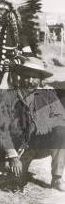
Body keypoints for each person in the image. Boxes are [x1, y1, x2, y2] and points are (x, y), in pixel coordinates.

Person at [9, 58, 65, 192]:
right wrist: (11, 155)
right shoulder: (13, 95)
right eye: (26, 77)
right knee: (15, 181)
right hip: (20, 146)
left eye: (34, 78)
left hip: (42, 143)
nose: (29, 81)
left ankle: (57, 177)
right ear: (21, 77)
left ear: (40, 80)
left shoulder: (48, 94)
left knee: (61, 131)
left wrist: (43, 123)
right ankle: (16, 173)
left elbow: (61, 117)